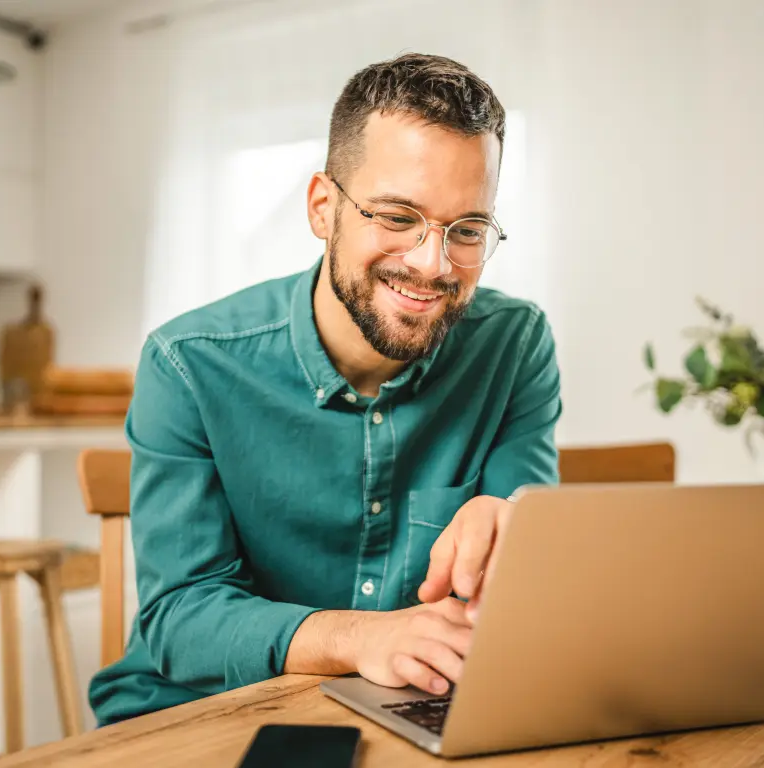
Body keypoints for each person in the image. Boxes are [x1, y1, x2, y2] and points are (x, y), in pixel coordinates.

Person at [89, 52, 562, 726]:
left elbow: (523, 575)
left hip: (408, 709)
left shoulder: (515, 344)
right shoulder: (188, 362)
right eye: (397, 217)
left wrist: (517, 530)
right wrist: (362, 638)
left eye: (467, 230)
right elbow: (181, 619)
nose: (433, 264)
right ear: (322, 208)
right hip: (200, 711)